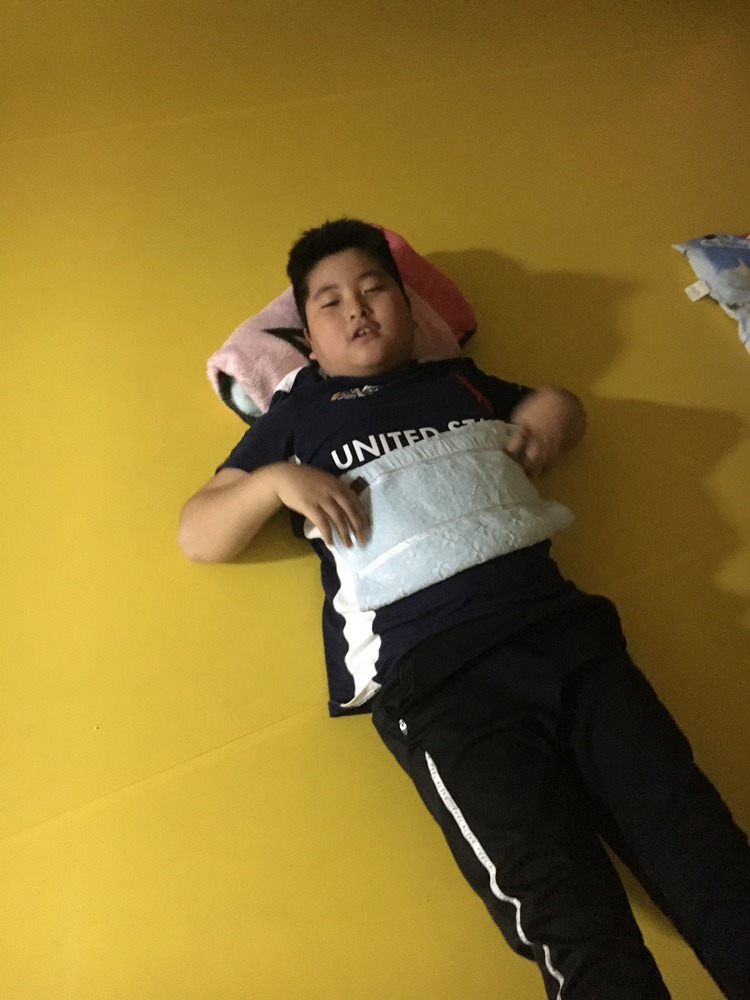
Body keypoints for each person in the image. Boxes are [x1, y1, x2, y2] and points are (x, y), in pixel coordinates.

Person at [179, 218, 750, 1000]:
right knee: (570, 918)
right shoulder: (298, 419)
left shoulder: (461, 383)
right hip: (441, 682)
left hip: (567, 639)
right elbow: (198, 532)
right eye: (330, 302)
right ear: (307, 340)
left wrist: (552, 417)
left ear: (410, 310)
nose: (358, 309)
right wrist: (275, 481)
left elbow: (557, 405)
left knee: (709, 856)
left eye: (375, 288)